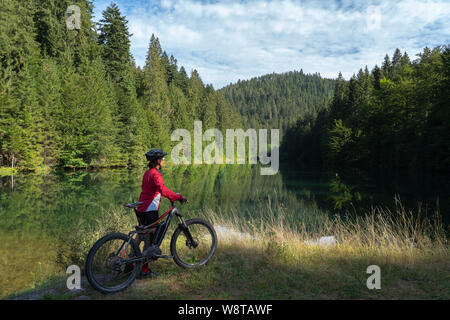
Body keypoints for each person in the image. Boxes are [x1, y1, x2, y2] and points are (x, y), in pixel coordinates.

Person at [135, 148, 187, 277]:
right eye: (162, 159)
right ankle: (144, 271)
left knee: (140, 235)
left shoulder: (147, 173)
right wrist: (177, 197)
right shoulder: (155, 174)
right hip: (150, 209)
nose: (164, 161)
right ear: (157, 161)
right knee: (150, 239)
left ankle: (130, 264)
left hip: (142, 207)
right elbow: (162, 190)